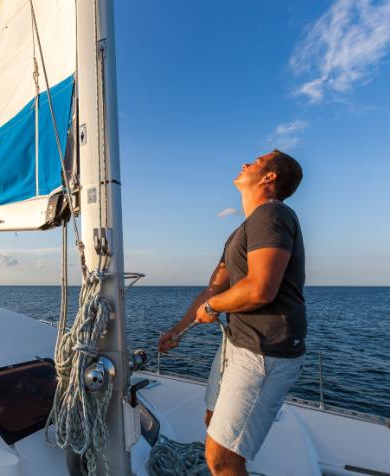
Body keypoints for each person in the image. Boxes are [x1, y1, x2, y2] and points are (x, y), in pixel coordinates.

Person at [158, 150, 306, 476]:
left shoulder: (272, 215)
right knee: (212, 421)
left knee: (221, 458)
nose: (244, 163)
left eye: (255, 162)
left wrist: (213, 308)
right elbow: (213, 288)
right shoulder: (244, 229)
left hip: (265, 351)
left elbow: (260, 288)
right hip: (237, 345)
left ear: (269, 178)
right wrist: (178, 328)